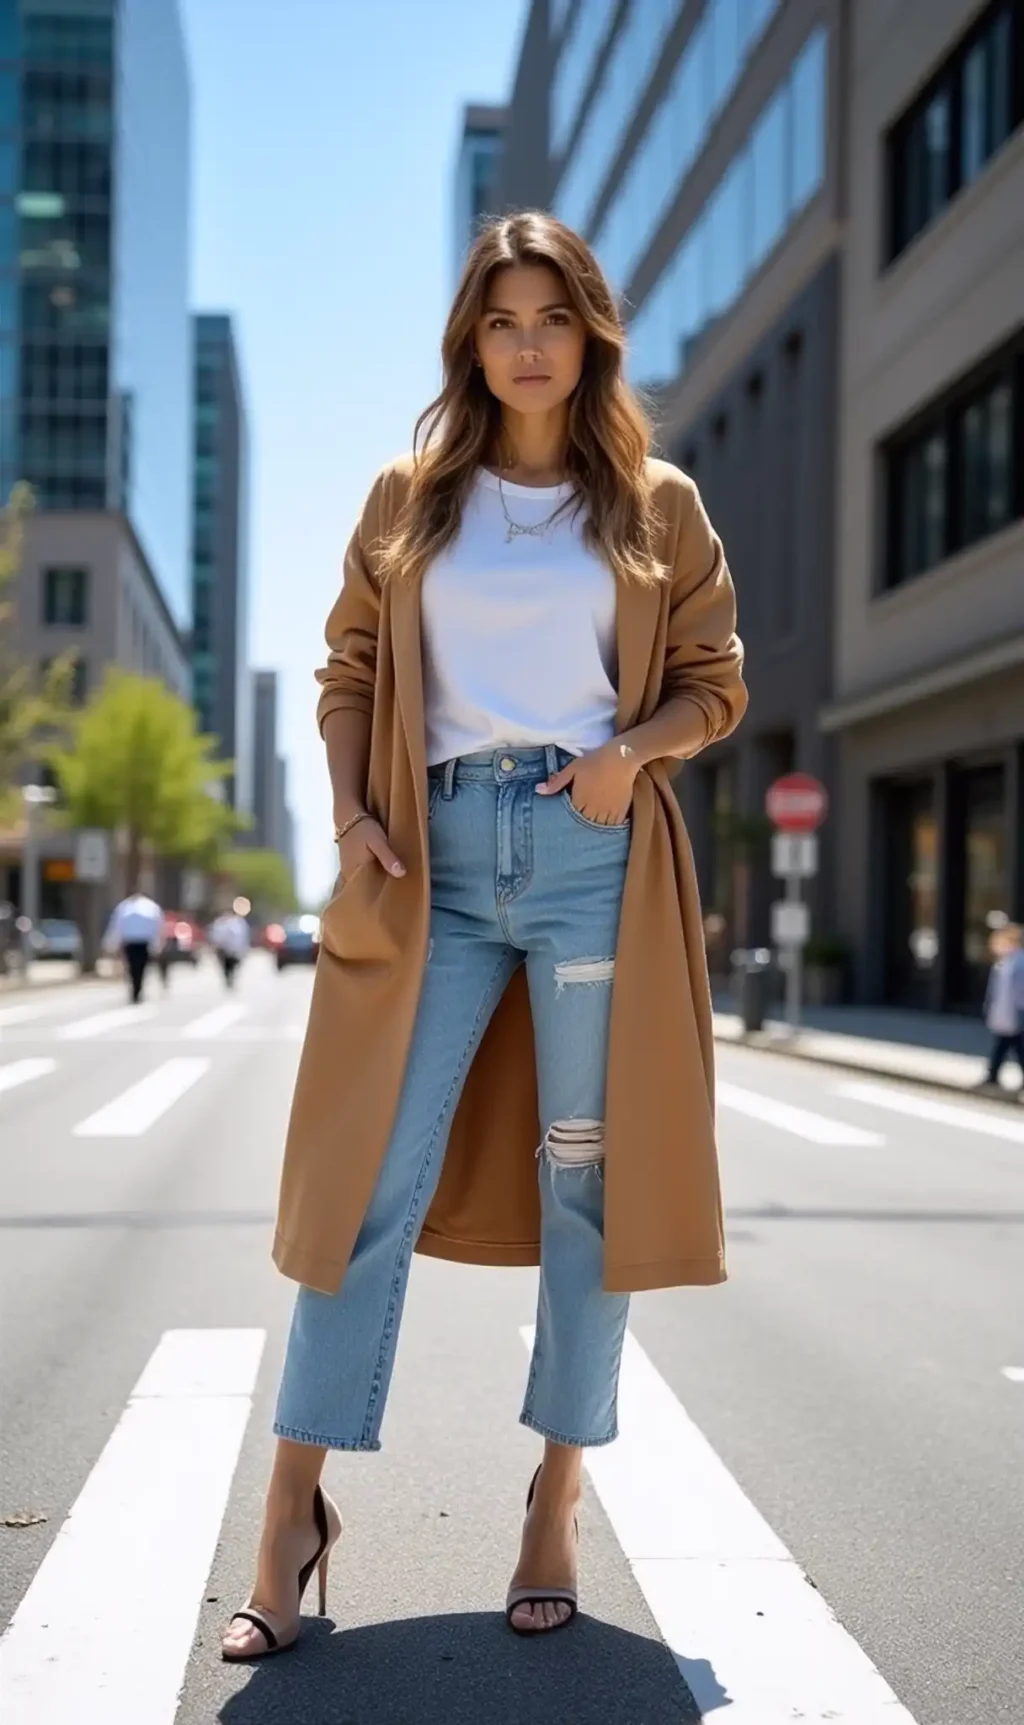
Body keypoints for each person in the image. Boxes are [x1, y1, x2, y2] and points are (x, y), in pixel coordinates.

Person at [221, 211, 747, 1662]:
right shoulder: (413, 498)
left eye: (554, 319)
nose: (528, 344)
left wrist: (630, 753)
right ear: (474, 341)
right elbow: (350, 669)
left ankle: (554, 1502)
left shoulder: (658, 502)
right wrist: (352, 815)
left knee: (590, 1182)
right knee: (364, 1181)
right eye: (503, 321)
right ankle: (291, 1512)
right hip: (432, 855)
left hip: (592, 852)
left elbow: (716, 682)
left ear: (592, 336)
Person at [978, 923, 1024, 1092]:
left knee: (1012, 1047)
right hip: (1005, 1014)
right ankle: (992, 1076)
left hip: (1016, 1014)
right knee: (1007, 1046)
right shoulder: (1005, 962)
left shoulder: (1019, 962)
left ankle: (992, 1077)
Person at [103, 890, 163, 1004]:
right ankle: (136, 990)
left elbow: (117, 926)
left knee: (135, 968)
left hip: (137, 942)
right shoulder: (128, 906)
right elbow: (158, 926)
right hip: (137, 942)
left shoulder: (133, 906)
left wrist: (111, 943)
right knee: (137, 968)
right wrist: (157, 944)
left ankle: (136, 990)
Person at [208, 903, 251, 988]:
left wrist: (244, 947)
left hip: (235, 949)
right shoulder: (219, 923)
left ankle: (231, 977)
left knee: (234, 964)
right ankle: (227, 977)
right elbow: (214, 935)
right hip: (223, 949)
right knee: (224, 965)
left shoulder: (239, 922)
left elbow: (244, 935)